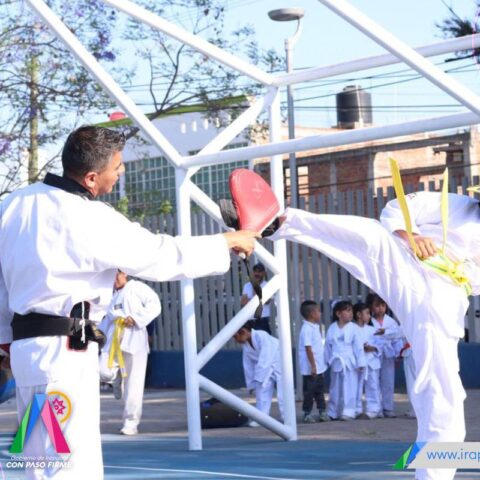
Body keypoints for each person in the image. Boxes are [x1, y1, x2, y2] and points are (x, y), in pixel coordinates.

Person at [0, 126, 258, 480]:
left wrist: (6, 339)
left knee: (36, 459)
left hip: (27, 351)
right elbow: (159, 254)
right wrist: (225, 242)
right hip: (65, 355)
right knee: (69, 464)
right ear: (92, 177)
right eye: (116, 166)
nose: (121, 171)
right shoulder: (89, 217)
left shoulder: (13, 204)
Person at [223, 172, 476, 480]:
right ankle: (276, 222)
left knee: (442, 398)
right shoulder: (454, 204)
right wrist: (410, 235)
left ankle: (432, 473)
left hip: (445, 296)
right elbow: (395, 209)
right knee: (372, 237)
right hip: (408, 260)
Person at [98, 271, 161, 435]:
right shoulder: (108, 294)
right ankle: (115, 379)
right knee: (102, 370)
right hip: (113, 335)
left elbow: (155, 304)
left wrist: (136, 318)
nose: (114, 280)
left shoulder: (137, 287)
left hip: (135, 335)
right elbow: (104, 320)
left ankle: (131, 423)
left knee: (134, 383)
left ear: (124, 273)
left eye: (116, 275)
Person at [233, 321, 284, 425]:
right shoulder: (246, 345)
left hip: (279, 361)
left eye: (235, 336)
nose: (235, 340)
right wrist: (251, 384)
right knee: (261, 393)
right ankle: (261, 419)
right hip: (264, 367)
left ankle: (287, 418)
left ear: (243, 332)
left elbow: (265, 358)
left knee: (283, 393)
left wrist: (258, 378)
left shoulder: (262, 336)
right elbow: (248, 365)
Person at [324, 300, 366, 421]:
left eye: (351, 310)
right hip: (336, 360)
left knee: (350, 386)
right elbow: (328, 346)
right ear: (338, 313)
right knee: (335, 388)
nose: (351, 313)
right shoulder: (332, 328)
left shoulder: (353, 328)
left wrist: (361, 362)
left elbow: (358, 347)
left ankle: (349, 411)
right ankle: (333, 411)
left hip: (349, 361)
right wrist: (326, 362)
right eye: (347, 310)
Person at [367, 293, 400, 418]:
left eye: (383, 305)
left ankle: (388, 407)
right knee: (374, 380)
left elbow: (397, 338)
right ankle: (377, 408)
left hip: (388, 353)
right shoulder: (369, 322)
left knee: (388, 380)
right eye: (377, 306)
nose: (380, 308)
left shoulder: (391, 322)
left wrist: (398, 353)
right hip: (373, 353)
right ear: (371, 307)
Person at [298, 300, 329, 423]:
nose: (320, 313)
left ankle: (322, 411)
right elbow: (308, 348)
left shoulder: (314, 327)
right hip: (311, 368)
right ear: (312, 314)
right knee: (309, 391)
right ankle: (307, 413)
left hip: (319, 366)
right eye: (318, 311)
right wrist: (313, 366)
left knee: (319, 390)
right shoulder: (306, 329)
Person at [353, 302, 382, 419]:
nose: (369, 316)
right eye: (367, 313)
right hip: (358, 363)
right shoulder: (352, 329)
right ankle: (356, 409)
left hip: (371, 362)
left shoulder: (372, 330)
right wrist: (361, 348)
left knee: (373, 386)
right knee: (357, 387)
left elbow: (380, 345)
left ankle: (373, 409)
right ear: (359, 314)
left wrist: (373, 348)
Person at [240, 262, 272, 334]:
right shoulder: (247, 285)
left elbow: (267, 301)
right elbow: (243, 303)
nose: (257, 274)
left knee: (264, 340)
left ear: (264, 273)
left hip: (262, 320)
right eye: (255, 271)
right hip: (249, 320)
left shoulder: (267, 285)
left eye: (259, 271)